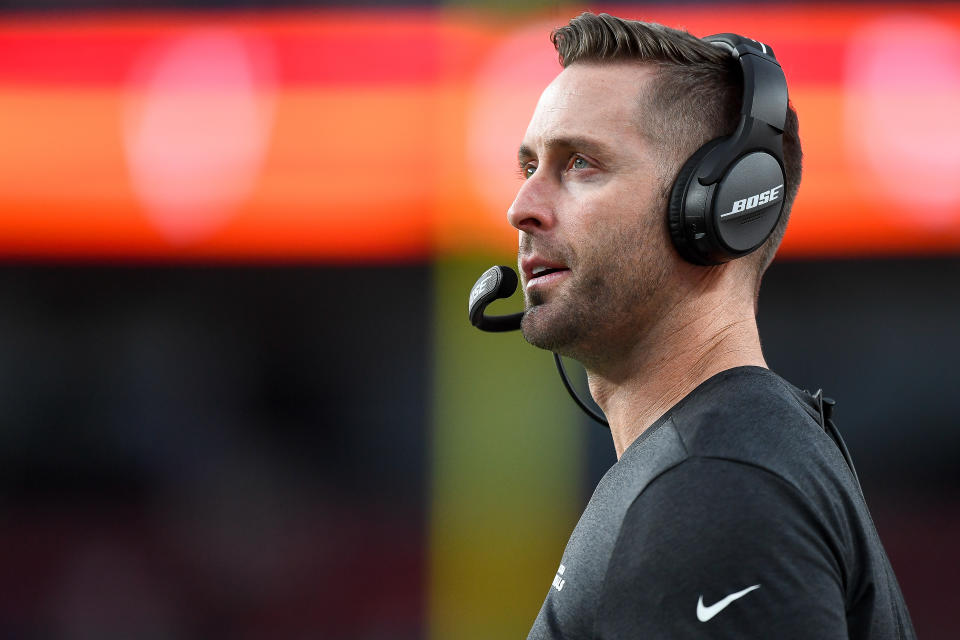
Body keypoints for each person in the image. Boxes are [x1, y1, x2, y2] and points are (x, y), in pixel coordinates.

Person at [506, 12, 916, 638]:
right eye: (529, 167)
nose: (522, 208)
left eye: (581, 163)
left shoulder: (714, 489)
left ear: (717, 207)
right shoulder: (721, 460)